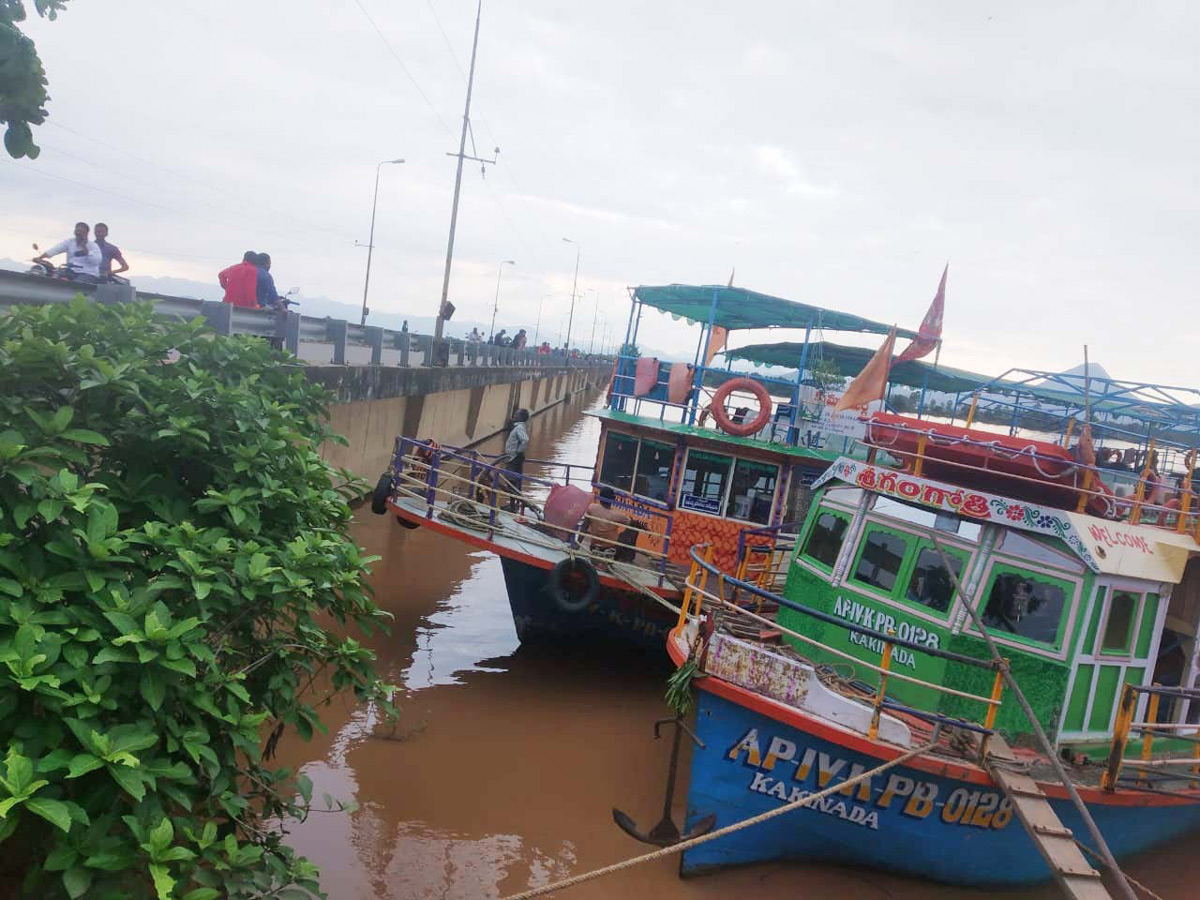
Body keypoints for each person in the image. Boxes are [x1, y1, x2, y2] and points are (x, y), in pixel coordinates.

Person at [34, 222, 102, 283]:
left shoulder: (93, 246)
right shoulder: (70, 242)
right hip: (71, 270)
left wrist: (85, 248)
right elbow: (55, 249)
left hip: (87, 273)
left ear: (86, 233)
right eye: (77, 231)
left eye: (81, 232)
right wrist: (40, 258)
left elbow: (97, 261)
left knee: (78, 283)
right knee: (56, 275)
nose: (78, 234)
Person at [584, 487, 632, 558]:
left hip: (593, 546)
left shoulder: (591, 508)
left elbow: (584, 526)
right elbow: (632, 524)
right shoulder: (618, 515)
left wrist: (576, 546)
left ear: (600, 498)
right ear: (613, 499)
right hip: (610, 548)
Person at [502, 408, 530, 511]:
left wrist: (518, 451)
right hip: (513, 458)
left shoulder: (519, 428)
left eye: (517, 414)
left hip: (514, 459)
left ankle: (513, 506)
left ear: (521, 418)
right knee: (511, 482)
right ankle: (512, 505)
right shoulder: (518, 427)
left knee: (511, 482)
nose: (514, 415)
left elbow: (525, 440)